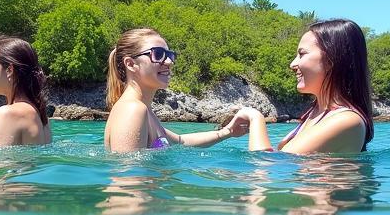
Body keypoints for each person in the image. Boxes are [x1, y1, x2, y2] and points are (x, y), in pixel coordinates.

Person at [104, 27, 251, 151]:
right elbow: (126, 181)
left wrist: (228, 132)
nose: (169, 62)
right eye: (158, 54)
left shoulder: (145, 111)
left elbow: (181, 141)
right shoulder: (132, 109)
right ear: (130, 64)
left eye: (169, 55)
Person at [245, 18, 374, 155]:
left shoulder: (347, 120)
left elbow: (266, 166)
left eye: (302, 54)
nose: (293, 64)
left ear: (331, 60)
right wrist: (223, 134)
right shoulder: (315, 114)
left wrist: (255, 118)